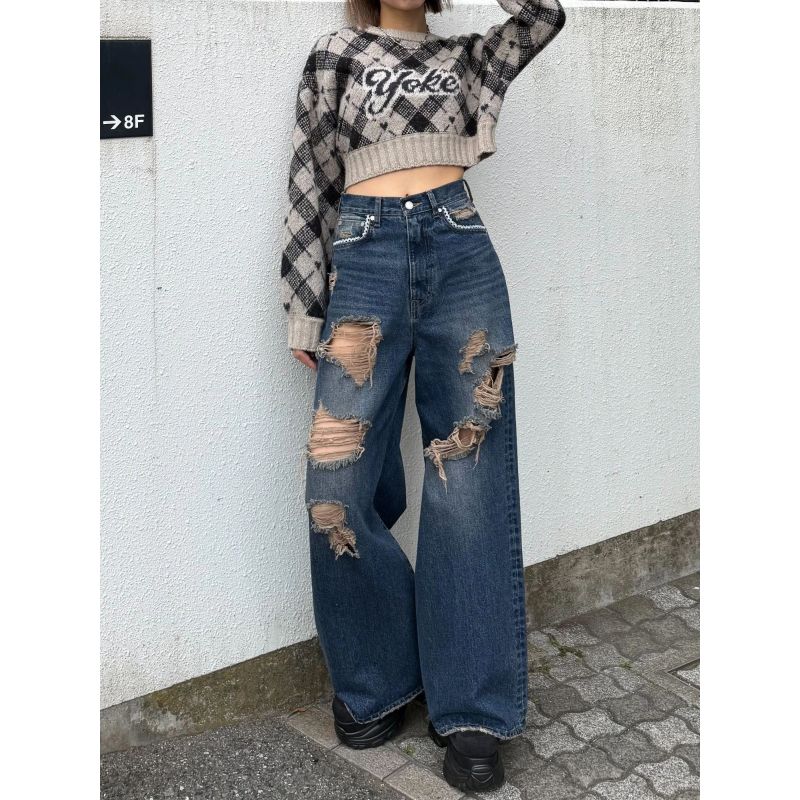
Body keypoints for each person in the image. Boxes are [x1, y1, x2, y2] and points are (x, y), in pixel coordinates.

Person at [279, 0, 566, 791]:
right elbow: (309, 179)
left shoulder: (468, 58)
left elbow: (543, 15)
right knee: (336, 484)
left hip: (458, 249)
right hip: (362, 260)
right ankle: (378, 677)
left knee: (466, 484)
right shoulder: (335, 52)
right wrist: (304, 307)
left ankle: (473, 708)